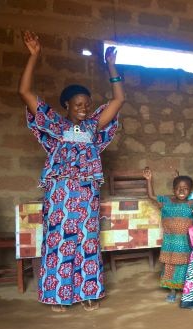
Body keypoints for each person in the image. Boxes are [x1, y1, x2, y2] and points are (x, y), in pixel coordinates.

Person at [19, 31, 125, 312]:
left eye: (87, 104)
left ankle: (88, 292)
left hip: (87, 192)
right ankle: (58, 295)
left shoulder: (91, 127)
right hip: (60, 192)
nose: (84, 108)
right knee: (59, 240)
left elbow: (118, 101)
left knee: (87, 240)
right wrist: (34, 56)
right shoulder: (53, 124)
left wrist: (110, 66)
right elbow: (25, 93)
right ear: (65, 105)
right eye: (78, 104)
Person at [143, 167, 193, 303]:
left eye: (186, 188)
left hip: (186, 243)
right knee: (170, 266)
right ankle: (172, 291)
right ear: (173, 190)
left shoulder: (192, 204)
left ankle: (186, 290)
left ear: (191, 191)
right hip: (171, 243)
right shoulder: (167, 201)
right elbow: (151, 196)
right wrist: (149, 180)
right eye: (178, 188)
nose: (182, 191)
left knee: (185, 266)